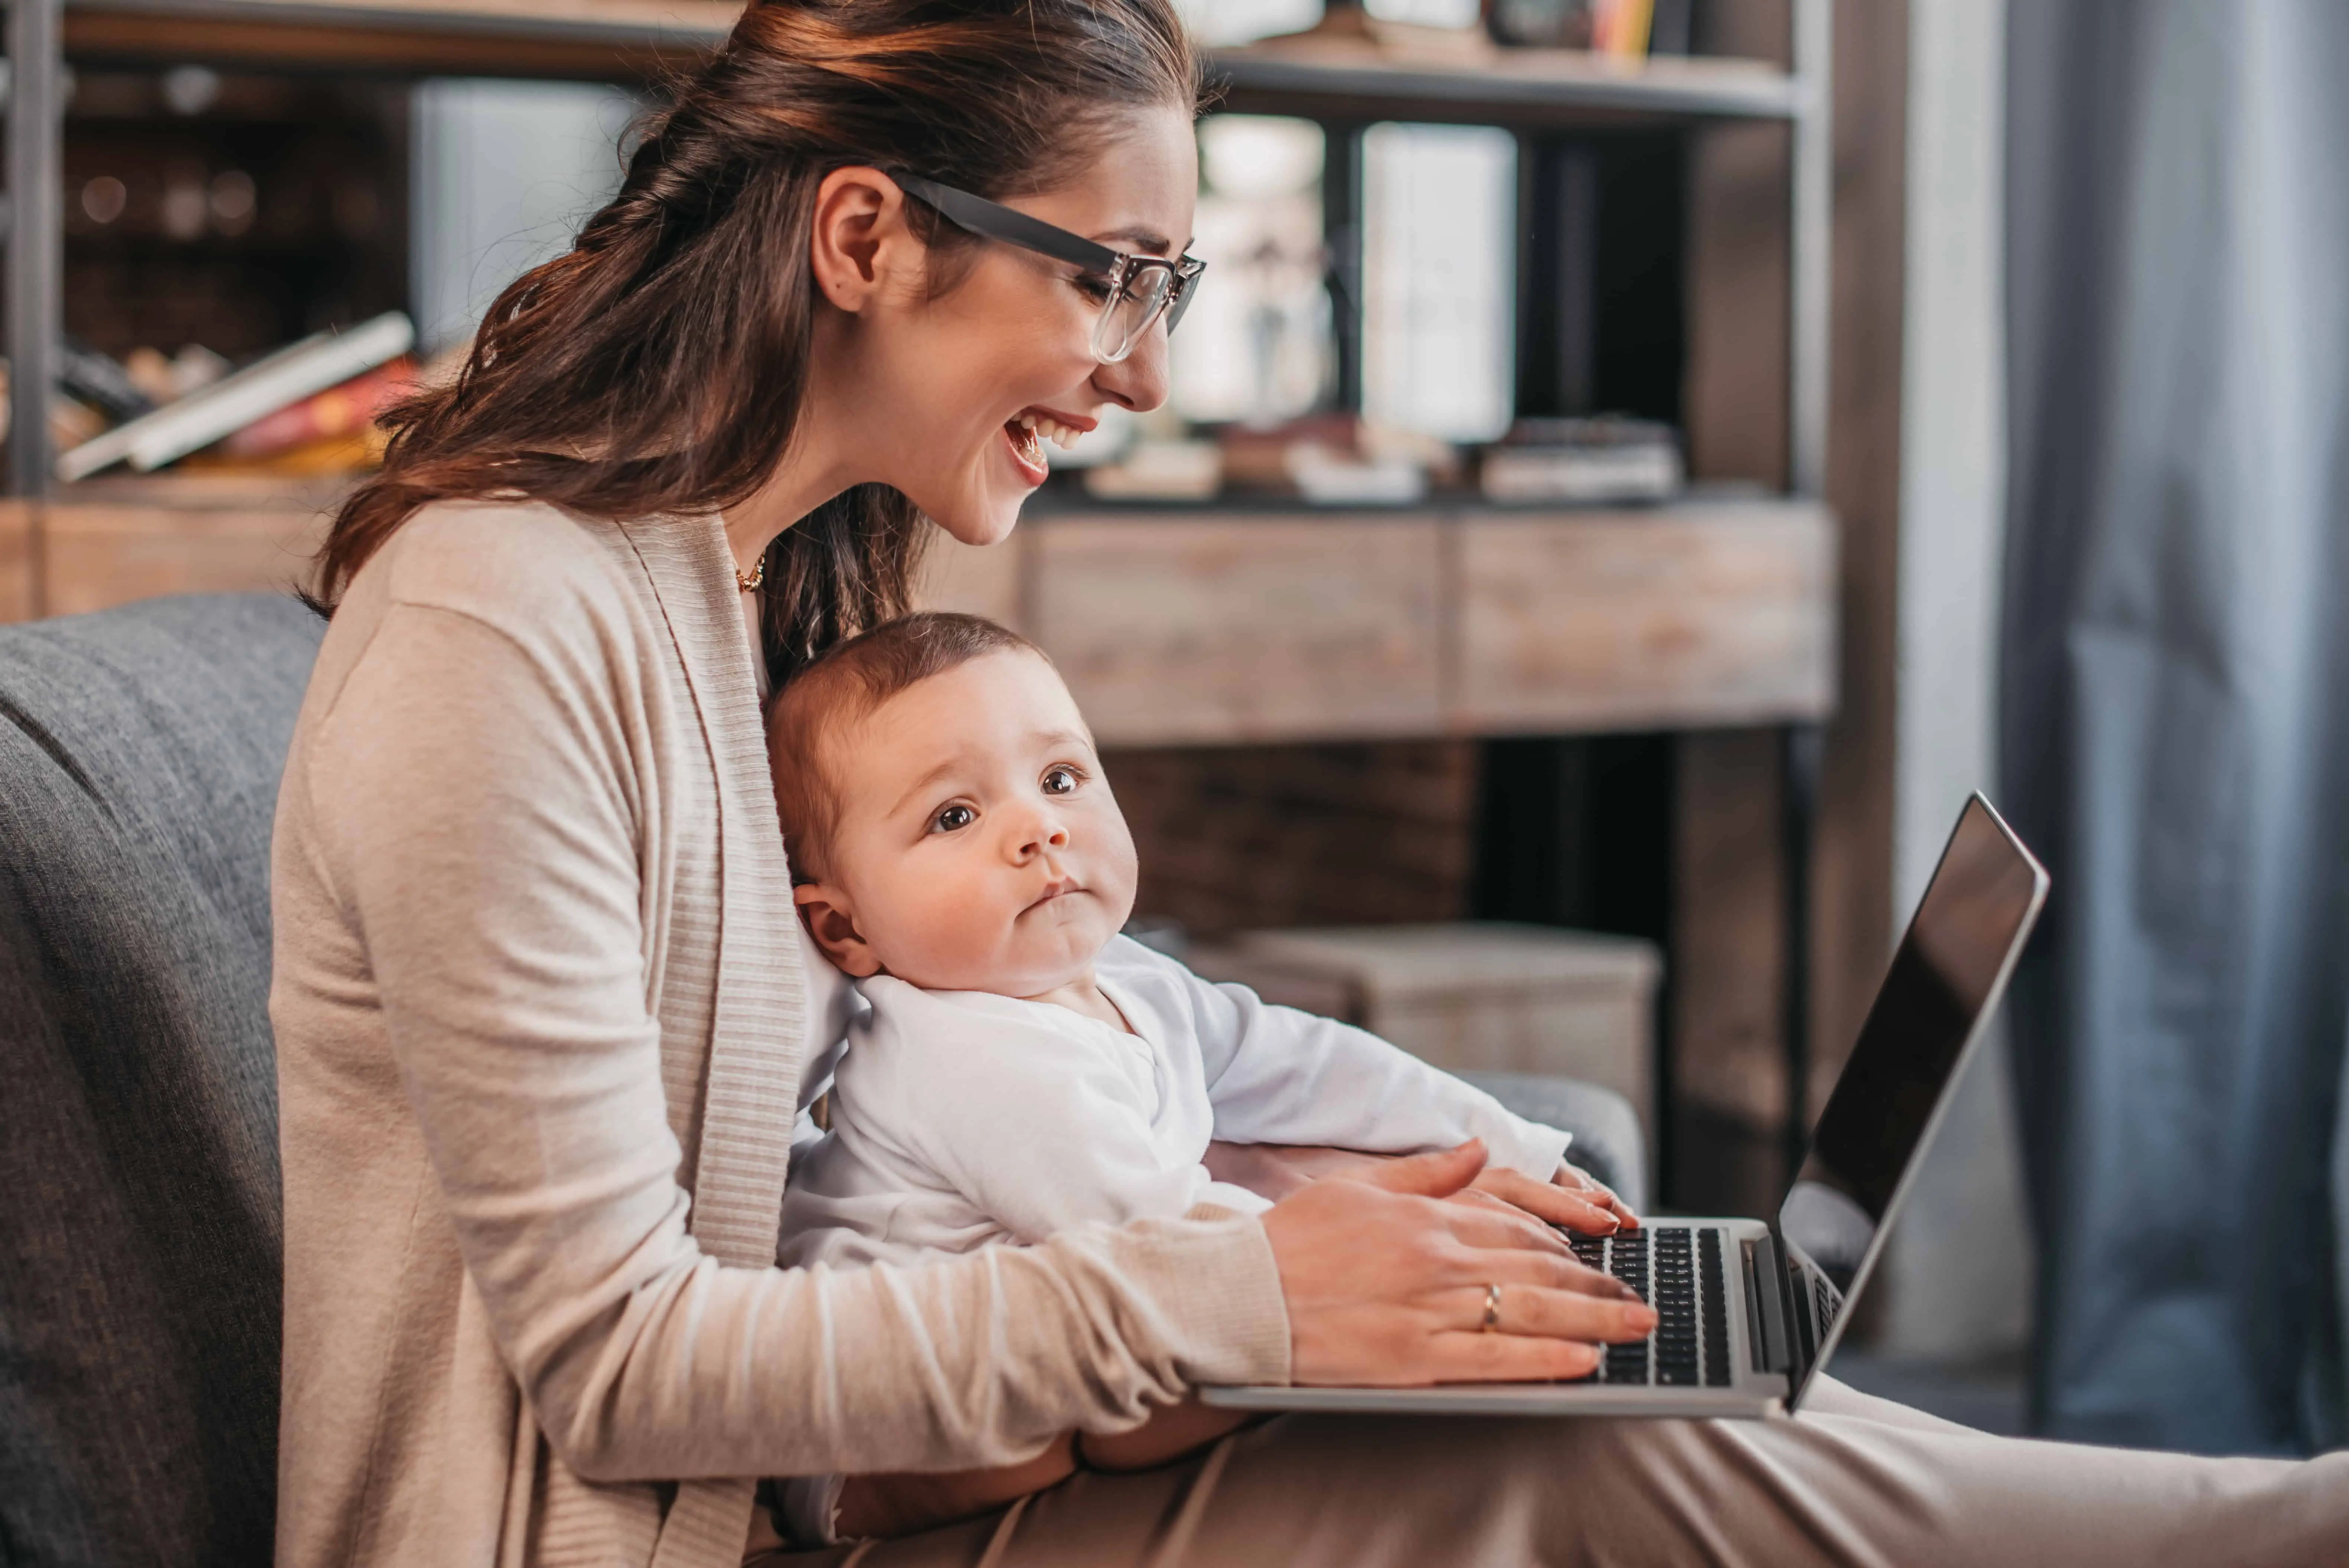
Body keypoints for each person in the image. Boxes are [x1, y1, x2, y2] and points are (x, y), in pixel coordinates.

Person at [270, 2, 2349, 1564]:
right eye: (1108, 273)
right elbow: (621, 1363)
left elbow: (933, 1095)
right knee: (1597, 1470)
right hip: (670, 1530)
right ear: (865, 237)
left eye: (1164, 287)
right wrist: (1243, 1283)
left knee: (1604, 1400)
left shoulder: (779, 604)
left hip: (855, 1482)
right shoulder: (502, 625)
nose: (1145, 369)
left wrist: (1321, 1199)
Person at [763, 609, 1647, 1542]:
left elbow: (1311, 1063)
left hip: (1087, 1315)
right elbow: (1172, 1247)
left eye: (1060, 778)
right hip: (874, 1428)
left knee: (1178, 1370)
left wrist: (1505, 1144)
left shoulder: (1123, 975)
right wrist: (1381, 1252)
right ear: (845, 929)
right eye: (955, 815)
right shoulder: (966, 1058)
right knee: (1134, 1407)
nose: (1039, 829)